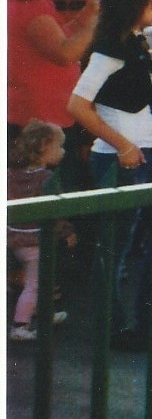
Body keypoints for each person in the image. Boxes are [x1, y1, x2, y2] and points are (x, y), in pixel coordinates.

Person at [66, 0, 152, 352]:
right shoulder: (108, 49)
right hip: (120, 160)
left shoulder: (133, 42)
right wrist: (123, 144)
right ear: (136, 4)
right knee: (116, 249)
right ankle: (115, 327)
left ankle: (150, 318)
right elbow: (77, 105)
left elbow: (129, 102)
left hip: (146, 154)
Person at [8, 0, 99, 140]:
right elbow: (65, 54)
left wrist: (90, 12)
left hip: (40, 114)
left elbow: (61, 36)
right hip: (39, 118)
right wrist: (96, 23)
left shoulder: (37, 4)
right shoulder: (32, 10)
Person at [8, 121, 72, 341]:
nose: (63, 152)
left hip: (13, 236)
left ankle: (44, 312)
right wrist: (67, 232)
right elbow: (55, 213)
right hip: (35, 240)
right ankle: (20, 325)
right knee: (34, 284)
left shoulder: (11, 173)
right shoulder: (47, 179)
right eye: (59, 147)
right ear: (45, 146)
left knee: (42, 279)